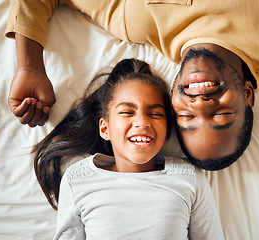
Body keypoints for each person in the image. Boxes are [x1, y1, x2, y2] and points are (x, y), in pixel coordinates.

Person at [5, 0, 259, 170]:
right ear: (248, 94)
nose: (202, 104)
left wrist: (29, 65)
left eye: (188, 118)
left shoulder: (133, 19)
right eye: (222, 116)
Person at [32, 58, 225, 239]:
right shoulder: (77, 180)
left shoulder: (189, 179)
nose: (142, 122)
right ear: (105, 129)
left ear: (167, 132)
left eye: (155, 114)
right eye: (127, 112)